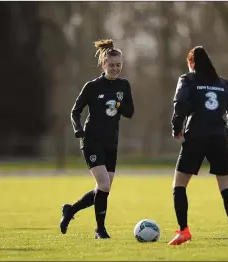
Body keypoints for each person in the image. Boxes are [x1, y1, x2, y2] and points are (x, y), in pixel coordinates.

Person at [168, 46, 228, 246]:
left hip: (195, 136)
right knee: (226, 187)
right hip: (218, 138)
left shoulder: (187, 79)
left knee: (179, 186)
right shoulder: (222, 83)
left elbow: (180, 104)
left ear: (192, 63)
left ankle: (184, 231)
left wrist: (177, 128)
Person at [59, 39, 134, 239]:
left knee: (103, 188)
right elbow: (75, 111)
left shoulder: (124, 85)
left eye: (119, 65)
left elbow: (130, 112)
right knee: (104, 185)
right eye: (111, 65)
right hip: (92, 140)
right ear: (103, 65)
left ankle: (70, 210)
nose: (115, 68)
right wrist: (79, 130)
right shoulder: (92, 86)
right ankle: (100, 230)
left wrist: (118, 104)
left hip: (112, 142)